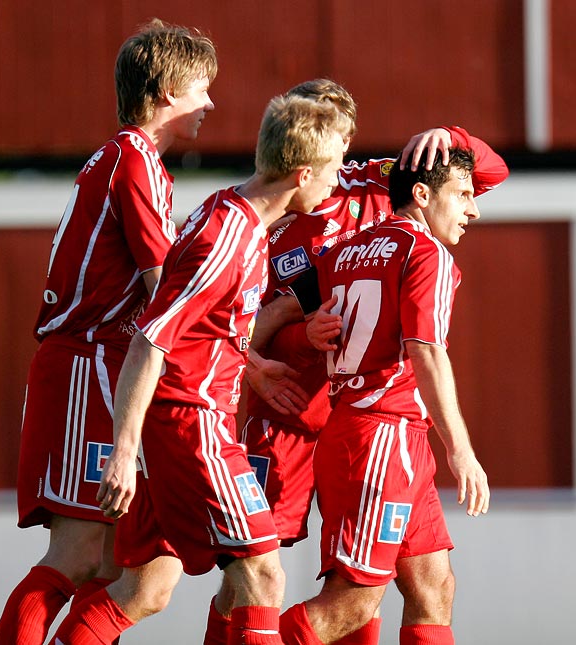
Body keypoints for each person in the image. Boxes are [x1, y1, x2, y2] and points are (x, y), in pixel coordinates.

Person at [204, 79, 509, 644]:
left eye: (344, 140)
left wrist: (451, 136)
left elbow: (482, 174)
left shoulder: (367, 201)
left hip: (370, 421)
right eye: (330, 144)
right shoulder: (270, 214)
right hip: (316, 418)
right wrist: (261, 362)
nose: (341, 158)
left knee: (431, 585)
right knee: (267, 578)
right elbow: (239, 317)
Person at [46, 93, 349, 645]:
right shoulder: (226, 234)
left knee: (146, 589)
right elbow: (149, 338)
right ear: (303, 172)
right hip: (191, 422)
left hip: (192, 420)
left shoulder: (237, 216)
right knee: (262, 574)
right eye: (331, 172)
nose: (336, 186)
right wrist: (123, 448)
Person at [0, 19, 217, 644]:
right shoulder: (132, 157)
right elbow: (163, 292)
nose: (211, 102)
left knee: (123, 564)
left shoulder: (136, 160)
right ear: (168, 91)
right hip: (84, 366)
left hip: (105, 365)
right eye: (202, 87)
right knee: (82, 553)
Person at [275, 142, 507, 644]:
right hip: (384, 436)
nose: (474, 209)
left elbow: (271, 316)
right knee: (354, 601)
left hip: (365, 433)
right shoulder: (429, 255)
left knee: (433, 586)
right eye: (463, 194)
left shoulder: (342, 251)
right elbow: (425, 350)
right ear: (422, 195)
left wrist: (262, 358)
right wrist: (462, 451)